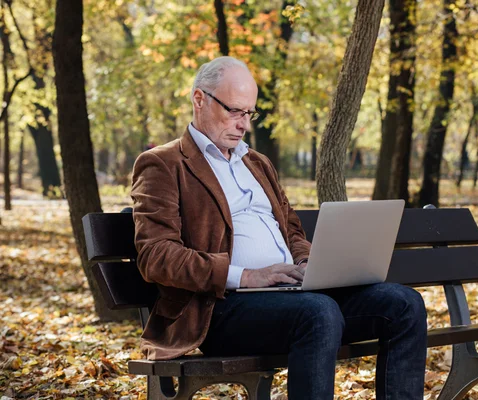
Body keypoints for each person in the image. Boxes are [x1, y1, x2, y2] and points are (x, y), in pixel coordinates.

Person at [131, 56, 427, 399]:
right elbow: (156, 255)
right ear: (199, 99)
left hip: (293, 295)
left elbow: (293, 232)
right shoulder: (163, 164)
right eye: (234, 111)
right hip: (221, 306)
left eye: (249, 114)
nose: (244, 124)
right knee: (319, 313)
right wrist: (246, 276)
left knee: (404, 304)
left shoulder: (257, 163)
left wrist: (308, 265)